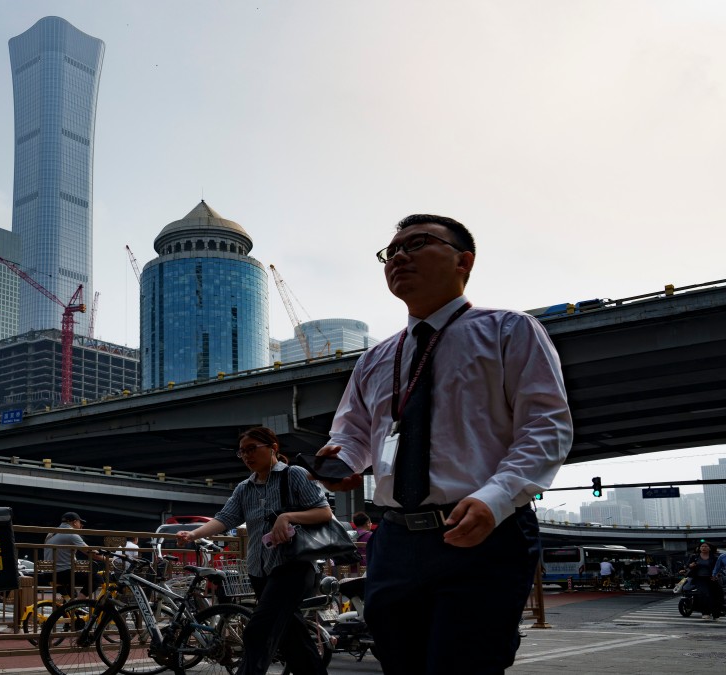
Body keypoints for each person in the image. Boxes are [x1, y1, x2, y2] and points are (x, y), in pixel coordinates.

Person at [316, 214, 573, 675]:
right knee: (400, 662)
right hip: (393, 539)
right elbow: (352, 433)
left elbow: (546, 427)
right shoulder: (375, 358)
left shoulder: (509, 330)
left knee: (463, 664)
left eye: (416, 244)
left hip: (482, 532)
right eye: (390, 251)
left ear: (463, 260)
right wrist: (343, 461)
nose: (399, 256)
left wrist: (495, 499)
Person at [175, 426, 334, 675]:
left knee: (257, 632)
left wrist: (287, 516)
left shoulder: (294, 475)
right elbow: (225, 518)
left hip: (293, 566)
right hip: (260, 571)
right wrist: (193, 534)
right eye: (242, 452)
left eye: (252, 449)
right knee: (293, 638)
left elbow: (324, 512)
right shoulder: (244, 488)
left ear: (273, 448)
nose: (247, 456)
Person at [42, 512, 104, 599]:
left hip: (48, 573)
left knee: (71, 598)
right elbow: (91, 553)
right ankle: (78, 603)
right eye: (80, 523)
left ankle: (71, 608)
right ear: (75, 522)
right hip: (62, 573)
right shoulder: (71, 533)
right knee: (97, 578)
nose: (81, 526)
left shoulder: (51, 533)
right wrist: (108, 559)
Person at [686, 542, 723, 620]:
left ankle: (716, 613)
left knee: (718, 594)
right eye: (702, 546)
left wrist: (716, 575)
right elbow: (687, 565)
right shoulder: (694, 557)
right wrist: (690, 565)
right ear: (699, 548)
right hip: (699, 578)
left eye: (706, 546)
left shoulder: (715, 557)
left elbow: (719, 567)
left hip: (712, 578)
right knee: (704, 594)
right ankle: (705, 612)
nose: (704, 548)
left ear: (709, 548)